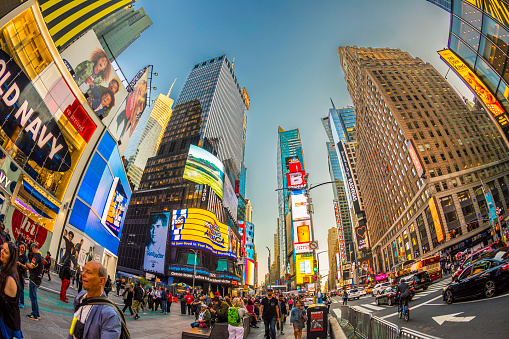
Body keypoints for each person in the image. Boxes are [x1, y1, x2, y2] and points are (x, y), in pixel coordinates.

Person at [67, 261, 122, 339]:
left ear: (101, 281)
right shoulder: (80, 297)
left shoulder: (109, 315)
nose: (83, 274)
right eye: (83, 270)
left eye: (88, 272)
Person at [0, 242, 22, 338]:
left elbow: (7, 307)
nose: (1, 252)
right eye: (2, 248)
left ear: (10, 258)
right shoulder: (4, 269)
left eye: (5, 251)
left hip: (5, 324)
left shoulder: (10, 279)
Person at [26, 243, 44, 321]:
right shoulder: (41, 256)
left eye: (31, 249)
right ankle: (37, 313)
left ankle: (34, 314)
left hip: (34, 278)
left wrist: (26, 263)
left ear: (33, 248)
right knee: (34, 296)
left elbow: (32, 265)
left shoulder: (36, 255)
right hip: (38, 278)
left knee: (33, 296)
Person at [16, 243, 28, 309]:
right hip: (14, 273)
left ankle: (21, 302)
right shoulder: (16, 254)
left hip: (21, 275)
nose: (23, 249)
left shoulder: (25, 257)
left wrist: (20, 264)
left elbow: (26, 267)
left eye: (24, 248)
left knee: (21, 289)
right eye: (21, 247)